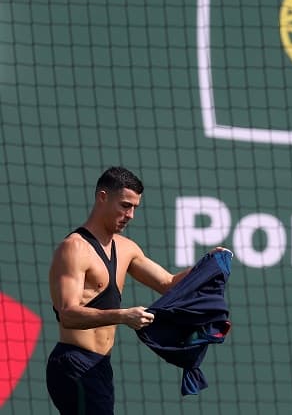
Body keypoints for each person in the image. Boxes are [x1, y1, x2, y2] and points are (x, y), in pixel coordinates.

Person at [46, 166, 224, 414]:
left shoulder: (127, 248)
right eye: (125, 205)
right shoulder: (74, 248)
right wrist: (123, 315)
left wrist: (207, 265)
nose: (130, 215)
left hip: (99, 366)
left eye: (134, 208)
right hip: (73, 363)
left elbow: (169, 284)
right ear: (102, 197)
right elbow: (68, 314)